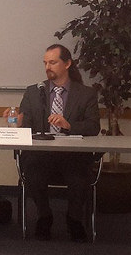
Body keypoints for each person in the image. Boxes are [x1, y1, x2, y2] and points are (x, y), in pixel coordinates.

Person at [6, 44, 100, 242]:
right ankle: (44, 215)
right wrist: (16, 122)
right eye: (45, 63)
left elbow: (93, 127)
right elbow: (26, 128)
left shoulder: (86, 94)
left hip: (73, 154)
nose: (47, 67)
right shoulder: (33, 92)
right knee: (32, 172)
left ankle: (74, 218)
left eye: (53, 62)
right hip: (41, 155)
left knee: (79, 177)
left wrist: (68, 125)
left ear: (67, 64)